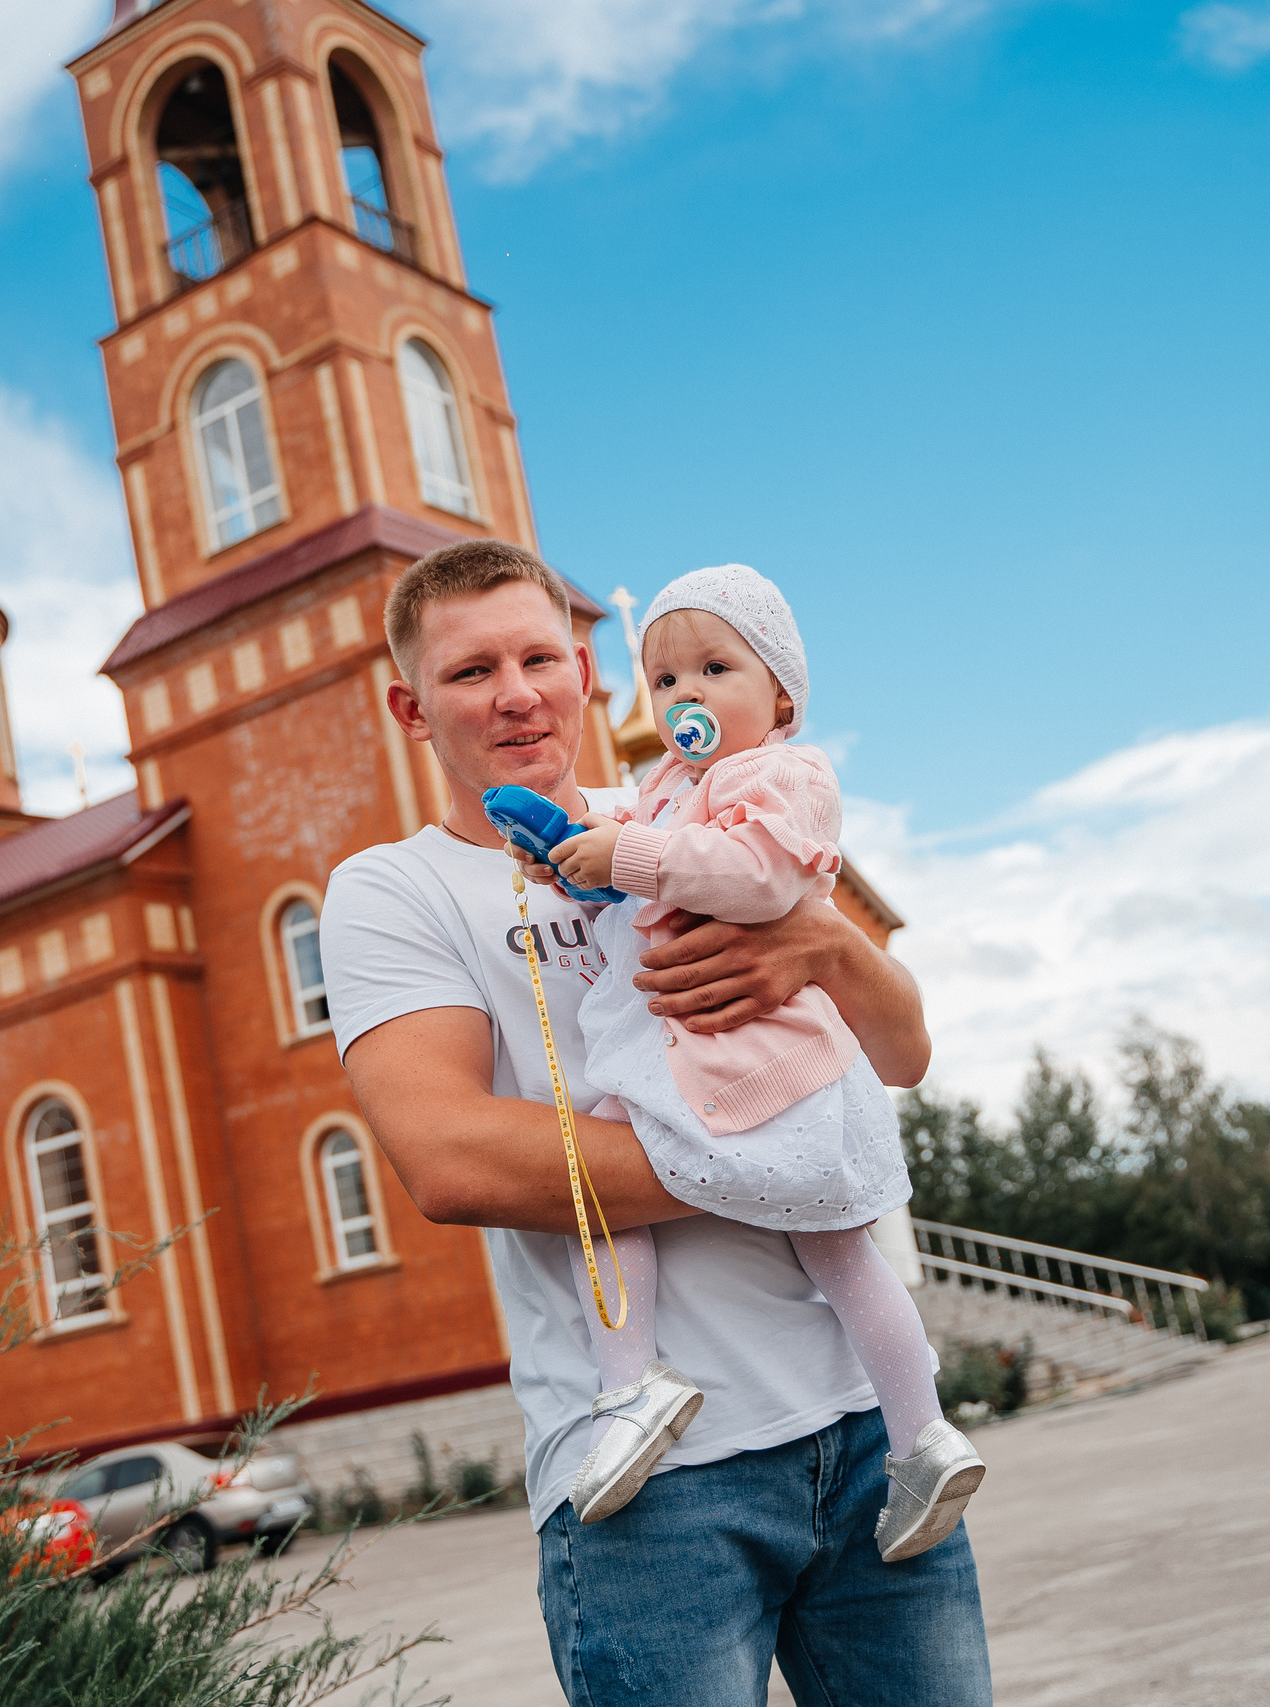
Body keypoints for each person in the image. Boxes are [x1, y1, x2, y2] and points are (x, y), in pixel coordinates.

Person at [321, 540, 992, 1706]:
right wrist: (791, 1158)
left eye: (539, 657)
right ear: (409, 706)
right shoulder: (394, 892)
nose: (517, 691)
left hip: (865, 1437)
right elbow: (453, 1160)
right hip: (654, 1486)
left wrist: (829, 947)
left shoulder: (697, 824)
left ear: (585, 672)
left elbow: (899, 1053)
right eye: (472, 671)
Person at [529, 564, 984, 1560]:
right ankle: (917, 1437)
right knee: (834, 1257)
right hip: (736, 1071)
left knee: (619, 1198)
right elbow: (650, 885)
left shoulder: (780, 773)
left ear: (780, 693)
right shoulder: (669, 790)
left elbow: (755, 872)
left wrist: (628, 856)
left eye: (713, 668)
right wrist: (578, 858)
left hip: (753, 1070)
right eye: (664, 680)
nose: (684, 696)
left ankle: (643, 1386)